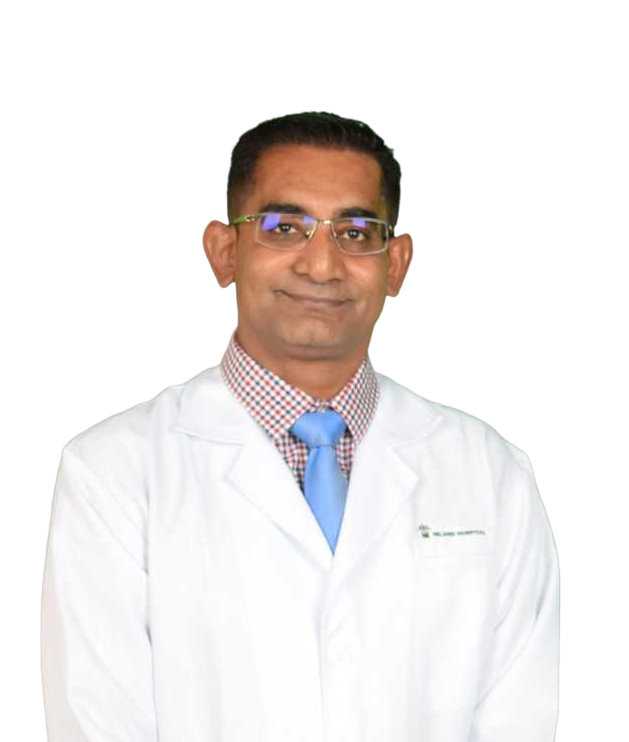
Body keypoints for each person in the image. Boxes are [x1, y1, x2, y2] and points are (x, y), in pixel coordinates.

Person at [40, 111, 560, 741]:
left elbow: (519, 718)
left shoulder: (490, 470)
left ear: (397, 264)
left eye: (356, 232)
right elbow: (99, 723)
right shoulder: (114, 472)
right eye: (284, 228)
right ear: (224, 252)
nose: (321, 265)